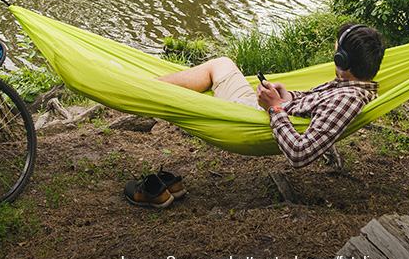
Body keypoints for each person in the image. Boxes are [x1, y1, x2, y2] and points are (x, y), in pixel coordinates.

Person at [157, 23, 386, 168]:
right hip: (273, 112)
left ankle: (150, 87)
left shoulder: (348, 99)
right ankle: (154, 85)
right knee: (222, 66)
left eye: (335, 50)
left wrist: (274, 108)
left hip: (253, 118)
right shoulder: (351, 86)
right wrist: (288, 98)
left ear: (342, 61)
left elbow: (299, 153)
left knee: (220, 64)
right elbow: (314, 110)